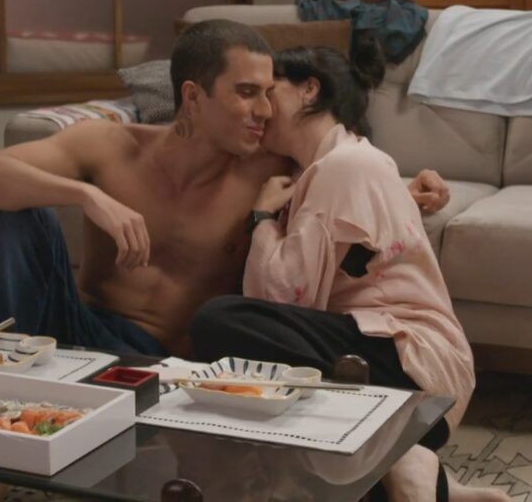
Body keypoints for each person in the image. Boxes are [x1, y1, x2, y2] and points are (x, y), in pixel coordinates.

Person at [0, 19, 451, 359]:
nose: (265, 111)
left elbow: (345, 180)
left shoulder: (270, 169)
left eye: (268, 93)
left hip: (165, 365)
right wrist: (90, 196)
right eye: (247, 93)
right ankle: (0, 386)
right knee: (23, 218)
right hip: (79, 329)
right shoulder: (109, 146)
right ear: (193, 97)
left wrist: (411, 187)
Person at [189, 42, 508, 502]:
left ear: (309, 89)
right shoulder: (344, 161)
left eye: (270, 91)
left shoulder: (342, 166)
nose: (262, 109)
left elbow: (284, 298)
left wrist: (261, 219)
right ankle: (429, 480)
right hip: (403, 374)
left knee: (219, 321)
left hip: (407, 363)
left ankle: (402, 452)